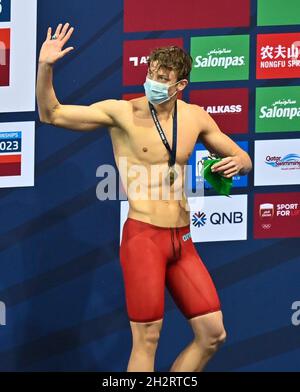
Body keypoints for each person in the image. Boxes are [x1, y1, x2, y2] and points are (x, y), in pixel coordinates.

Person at [36, 23, 252, 372]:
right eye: (151, 72)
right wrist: (45, 66)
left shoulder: (196, 117)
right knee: (147, 340)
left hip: (183, 240)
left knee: (213, 334)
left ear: (180, 85)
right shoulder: (123, 113)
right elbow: (52, 113)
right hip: (144, 239)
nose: (153, 80)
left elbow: (243, 159)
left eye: (163, 77)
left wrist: (239, 163)